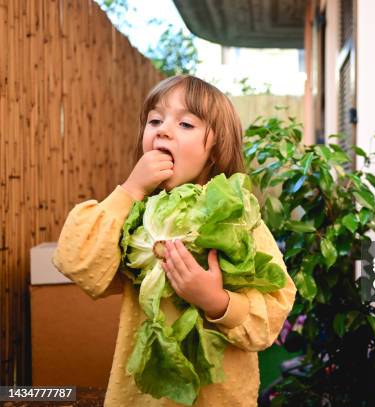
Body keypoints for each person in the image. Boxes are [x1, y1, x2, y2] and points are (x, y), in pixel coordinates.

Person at [52, 74, 297, 406]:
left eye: (185, 124)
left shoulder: (238, 217)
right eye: (155, 120)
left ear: (215, 150)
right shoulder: (135, 217)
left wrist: (216, 301)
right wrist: (129, 190)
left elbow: (273, 312)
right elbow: (76, 262)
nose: (163, 130)